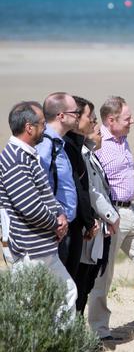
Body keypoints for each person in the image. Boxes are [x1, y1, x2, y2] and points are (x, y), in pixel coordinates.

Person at [87, 96, 134, 341]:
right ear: (111, 120)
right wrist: (103, 216)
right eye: (127, 118)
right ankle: (99, 330)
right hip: (111, 216)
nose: (133, 122)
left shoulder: (123, 140)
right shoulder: (98, 145)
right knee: (103, 275)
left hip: (133, 211)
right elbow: (93, 185)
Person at [0, 101, 76, 312]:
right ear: (29, 127)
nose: (45, 128)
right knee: (29, 305)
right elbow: (30, 207)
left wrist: (60, 214)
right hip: (29, 249)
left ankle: (60, 343)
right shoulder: (15, 159)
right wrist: (56, 224)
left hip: (42, 246)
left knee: (66, 292)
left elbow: (45, 195)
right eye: (42, 123)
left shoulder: (27, 155)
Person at [35, 92, 87, 279]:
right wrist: (54, 216)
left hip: (63, 228)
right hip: (53, 228)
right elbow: (39, 184)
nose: (79, 116)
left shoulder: (59, 143)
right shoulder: (45, 145)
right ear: (61, 116)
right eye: (75, 112)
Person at [74, 96, 117, 315]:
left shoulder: (90, 155)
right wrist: (111, 216)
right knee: (79, 284)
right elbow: (90, 191)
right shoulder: (81, 155)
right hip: (85, 230)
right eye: (92, 121)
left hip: (95, 229)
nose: (97, 126)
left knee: (87, 282)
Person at [63, 95, 101, 312]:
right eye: (90, 117)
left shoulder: (77, 146)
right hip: (67, 226)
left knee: (78, 283)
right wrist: (89, 219)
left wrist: (89, 219)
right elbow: (77, 189)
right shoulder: (66, 147)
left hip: (80, 224)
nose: (93, 122)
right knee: (68, 285)